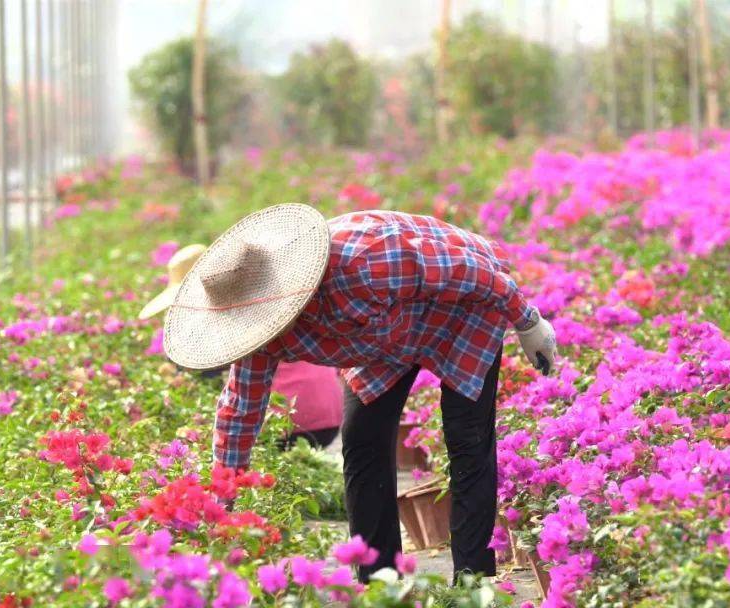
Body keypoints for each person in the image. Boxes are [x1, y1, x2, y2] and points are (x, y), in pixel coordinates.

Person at [162, 204, 557, 582]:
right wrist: (225, 491)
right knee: (362, 441)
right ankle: (381, 582)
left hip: (459, 311)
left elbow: (472, 273)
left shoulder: (364, 262)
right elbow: (240, 410)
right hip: (384, 335)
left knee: (467, 441)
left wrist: (528, 321)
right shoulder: (261, 329)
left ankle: (473, 584)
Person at [140, 243, 342, 450]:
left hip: (289, 426)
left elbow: (205, 382)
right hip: (331, 417)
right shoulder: (269, 302)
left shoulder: (224, 324)